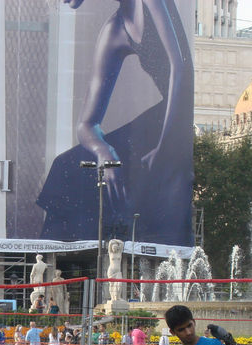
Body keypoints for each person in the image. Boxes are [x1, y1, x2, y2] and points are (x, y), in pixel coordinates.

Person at [38, 0, 194, 243]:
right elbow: (86, 124)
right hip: (156, 129)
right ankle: (58, 265)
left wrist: (163, 148)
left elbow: (181, 68)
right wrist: (105, 153)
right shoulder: (114, 30)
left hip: (172, 123)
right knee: (65, 166)